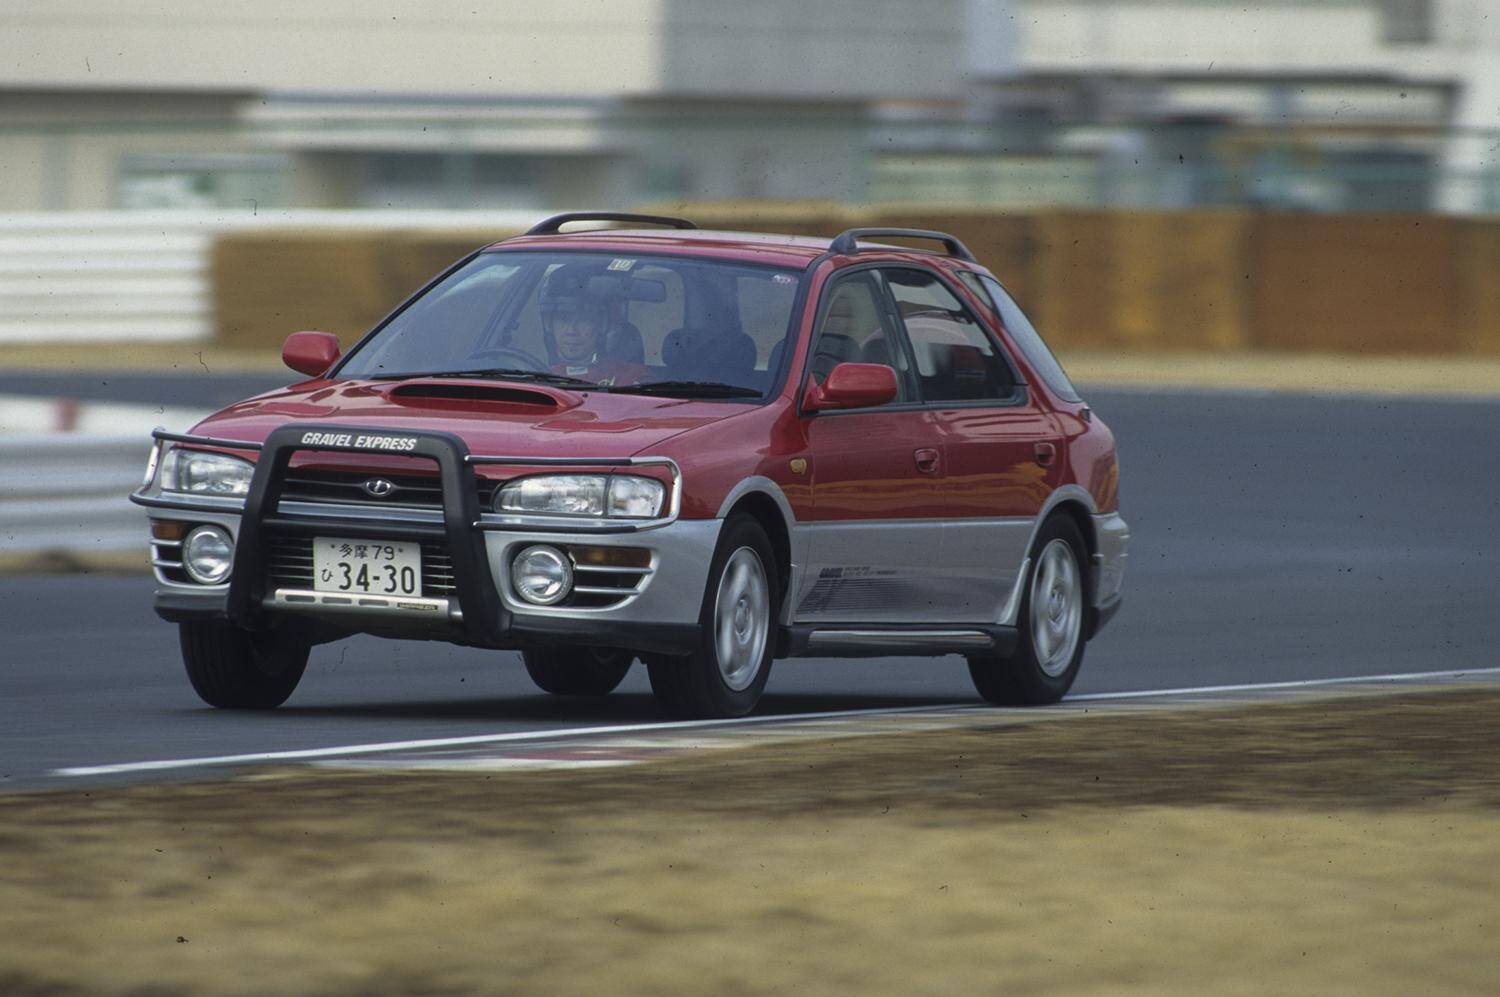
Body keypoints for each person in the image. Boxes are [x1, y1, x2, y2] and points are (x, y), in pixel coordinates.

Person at [540, 265, 650, 387]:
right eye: (563, 320)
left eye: (583, 320)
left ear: (603, 327)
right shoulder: (539, 375)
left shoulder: (632, 379)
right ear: (549, 326)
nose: (571, 331)